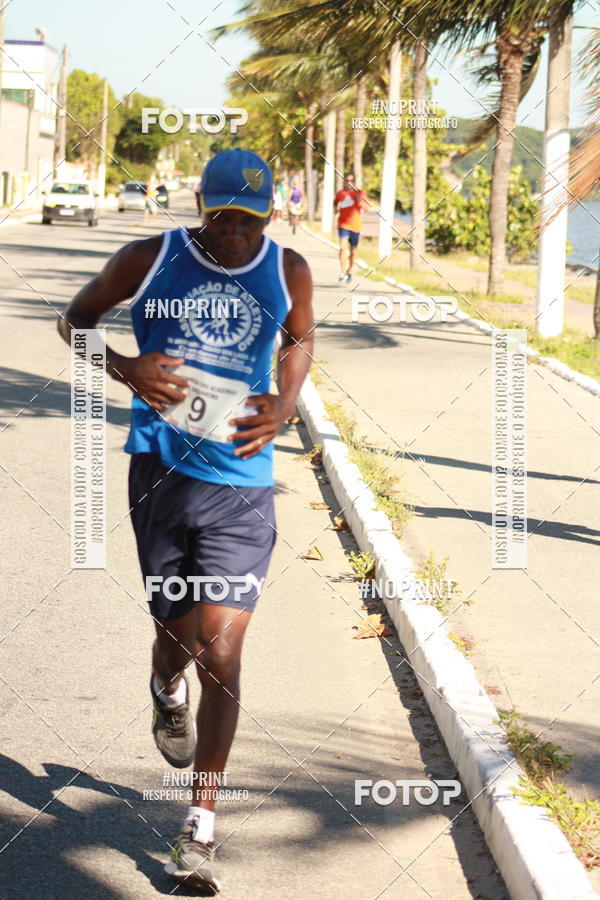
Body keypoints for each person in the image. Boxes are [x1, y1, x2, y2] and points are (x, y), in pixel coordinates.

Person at [57, 148, 314, 893]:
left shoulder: (287, 268)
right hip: (162, 474)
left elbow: (299, 339)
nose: (237, 234)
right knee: (176, 632)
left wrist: (287, 403)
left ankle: (199, 825)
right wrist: (126, 368)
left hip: (244, 483)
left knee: (224, 648)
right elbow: (74, 321)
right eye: (225, 219)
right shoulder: (150, 256)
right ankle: (164, 687)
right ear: (202, 209)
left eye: (251, 221)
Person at [334, 172, 368, 283]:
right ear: (344, 181)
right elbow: (335, 203)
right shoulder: (340, 193)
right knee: (343, 247)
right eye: (347, 180)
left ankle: (350, 270)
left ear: (354, 181)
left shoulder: (360, 193)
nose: (349, 183)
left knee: (353, 251)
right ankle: (343, 271)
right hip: (343, 224)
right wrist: (336, 210)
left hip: (355, 226)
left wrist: (359, 201)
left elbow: (366, 208)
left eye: (351, 180)